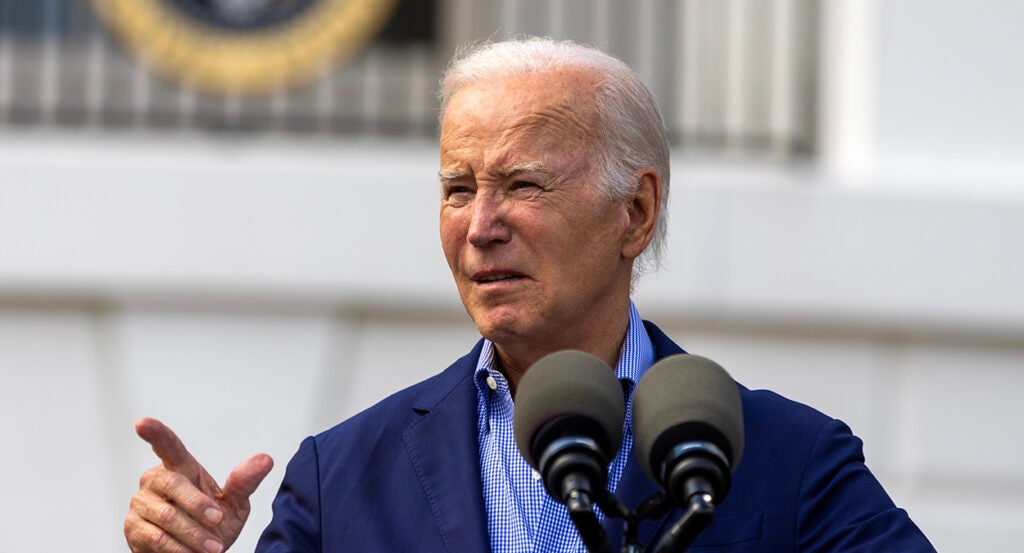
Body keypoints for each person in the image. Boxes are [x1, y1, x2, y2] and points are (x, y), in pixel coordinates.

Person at [124, 37, 936, 553]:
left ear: (636, 211)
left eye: (522, 183)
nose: (480, 225)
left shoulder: (789, 459)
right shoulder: (342, 479)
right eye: (456, 187)